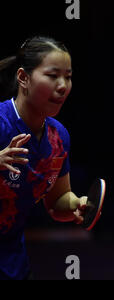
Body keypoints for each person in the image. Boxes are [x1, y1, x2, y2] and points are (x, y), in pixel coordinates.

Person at [0, 36, 88, 280]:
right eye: (52, 75)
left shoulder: (58, 137)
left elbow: (57, 201)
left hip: (12, 264)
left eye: (68, 77)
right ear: (23, 78)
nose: (62, 86)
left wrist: (75, 205)